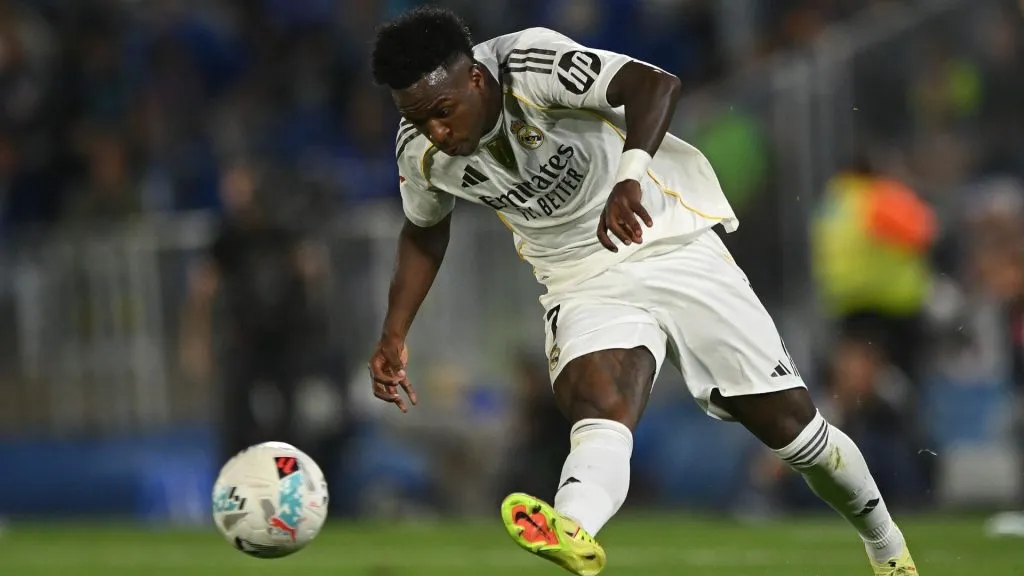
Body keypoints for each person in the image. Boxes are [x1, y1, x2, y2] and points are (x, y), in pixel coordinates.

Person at [366, 7, 919, 576]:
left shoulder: (530, 65)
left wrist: (628, 179)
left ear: (476, 79)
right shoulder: (419, 151)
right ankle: (572, 529)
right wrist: (394, 332)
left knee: (794, 431)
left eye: (442, 111)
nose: (435, 131)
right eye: (417, 119)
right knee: (599, 405)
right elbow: (424, 230)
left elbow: (654, 85)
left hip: (664, 235)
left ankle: (887, 548)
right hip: (578, 276)